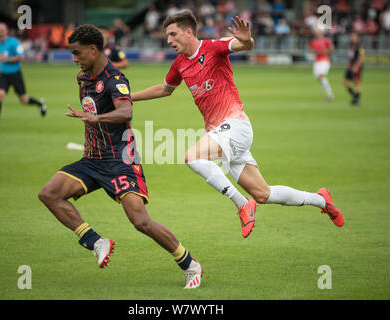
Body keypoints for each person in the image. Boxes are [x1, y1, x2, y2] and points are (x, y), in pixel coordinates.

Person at [131, 11, 343, 240]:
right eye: (167, 36)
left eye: (173, 34)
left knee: (192, 157)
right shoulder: (179, 64)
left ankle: (242, 204)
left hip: (235, 125)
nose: (169, 40)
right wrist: (128, 97)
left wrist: (247, 39)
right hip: (221, 134)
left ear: (189, 32)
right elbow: (165, 89)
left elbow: (243, 45)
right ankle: (321, 200)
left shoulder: (213, 47)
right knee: (263, 194)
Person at [38, 24, 202, 289]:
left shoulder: (114, 79)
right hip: (91, 160)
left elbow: (126, 112)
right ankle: (96, 241)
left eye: (78, 53)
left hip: (120, 161)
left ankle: (190, 264)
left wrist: (96, 117)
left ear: (93, 49)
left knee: (140, 221)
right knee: (49, 194)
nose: (74, 59)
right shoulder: (83, 78)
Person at [0, 23, 46, 130]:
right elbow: (1, 60)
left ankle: (39, 103)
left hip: (15, 74)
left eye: (1, 30)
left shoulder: (14, 42)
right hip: (3, 75)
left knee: (24, 100)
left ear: (6, 31)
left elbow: (21, 57)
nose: (0, 33)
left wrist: (7, 60)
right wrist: (0, 69)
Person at [309, 28, 335, 101]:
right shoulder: (313, 41)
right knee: (319, 79)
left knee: (321, 76)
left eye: (319, 32)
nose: (317, 33)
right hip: (317, 61)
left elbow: (332, 49)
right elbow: (310, 50)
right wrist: (315, 51)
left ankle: (330, 94)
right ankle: (328, 94)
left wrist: (325, 51)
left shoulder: (326, 41)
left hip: (325, 60)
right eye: (317, 32)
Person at [343, 32, 365, 106]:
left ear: (357, 38)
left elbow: (361, 57)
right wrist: (348, 64)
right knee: (345, 82)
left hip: (356, 67)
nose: (352, 38)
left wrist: (356, 66)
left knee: (356, 83)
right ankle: (354, 97)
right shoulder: (351, 46)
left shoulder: (360, 46)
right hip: (350, 67)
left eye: (354, 36)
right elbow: (350, 57)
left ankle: (357, 100)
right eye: (351, 36)